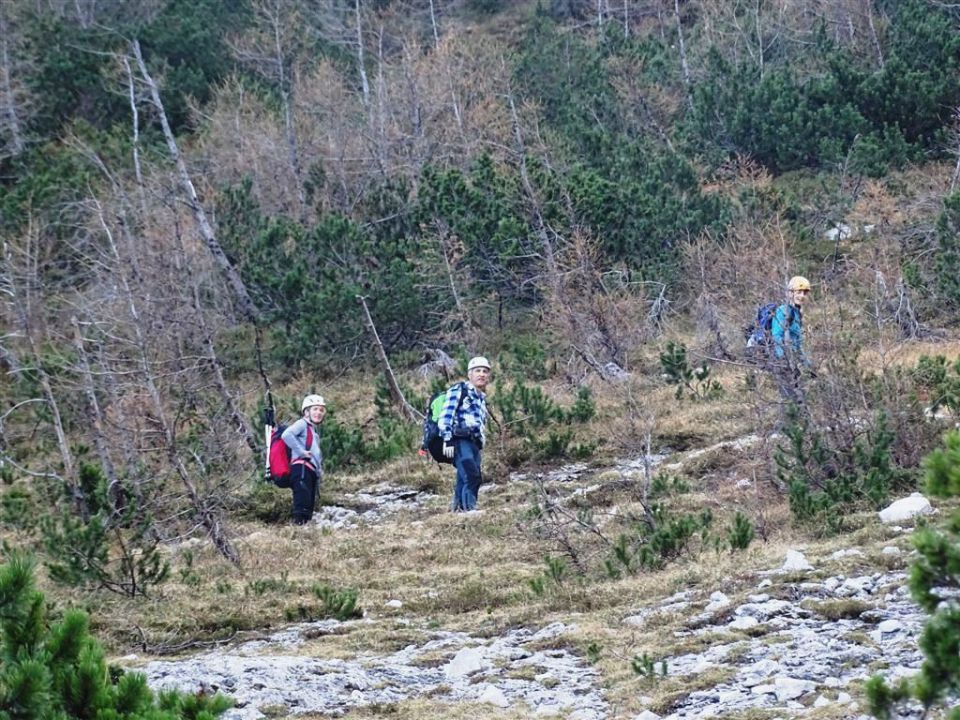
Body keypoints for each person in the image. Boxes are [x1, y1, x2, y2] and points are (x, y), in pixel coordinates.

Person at [438, 356, 491, 512]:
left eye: (485, 371)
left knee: (464, 476)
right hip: (460, 440)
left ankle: (458, 511)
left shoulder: (481, 399)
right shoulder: (458, 390)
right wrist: (447, 439)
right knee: (472, 475)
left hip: (475, 443)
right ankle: (469, 509)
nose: (481, 374)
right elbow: (446, 416)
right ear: (470, 374)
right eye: (477, 371)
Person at [281, 394, 325, 525]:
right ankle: (297, 535)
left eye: (321, 410)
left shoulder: (313, 432)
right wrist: (301, 452)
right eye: (315, 409)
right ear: (306, 412)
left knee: (308, 508)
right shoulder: (302, 424)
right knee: (302, 507)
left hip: (310, 472)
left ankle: (304, 536)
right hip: (301, 469)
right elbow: (286, 435)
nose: (319, 412)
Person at [770, 275, 813, 405]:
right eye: (798, 292)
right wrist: (783, 358)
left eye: (805, 293)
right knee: (789, 399)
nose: (802, 296)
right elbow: (777, 335)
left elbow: (798, 344)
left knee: (799, 396)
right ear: (790, 293)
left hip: (792, 359)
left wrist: (808, 366)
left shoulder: (797, 314)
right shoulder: (783, 311)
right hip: (783, 361)